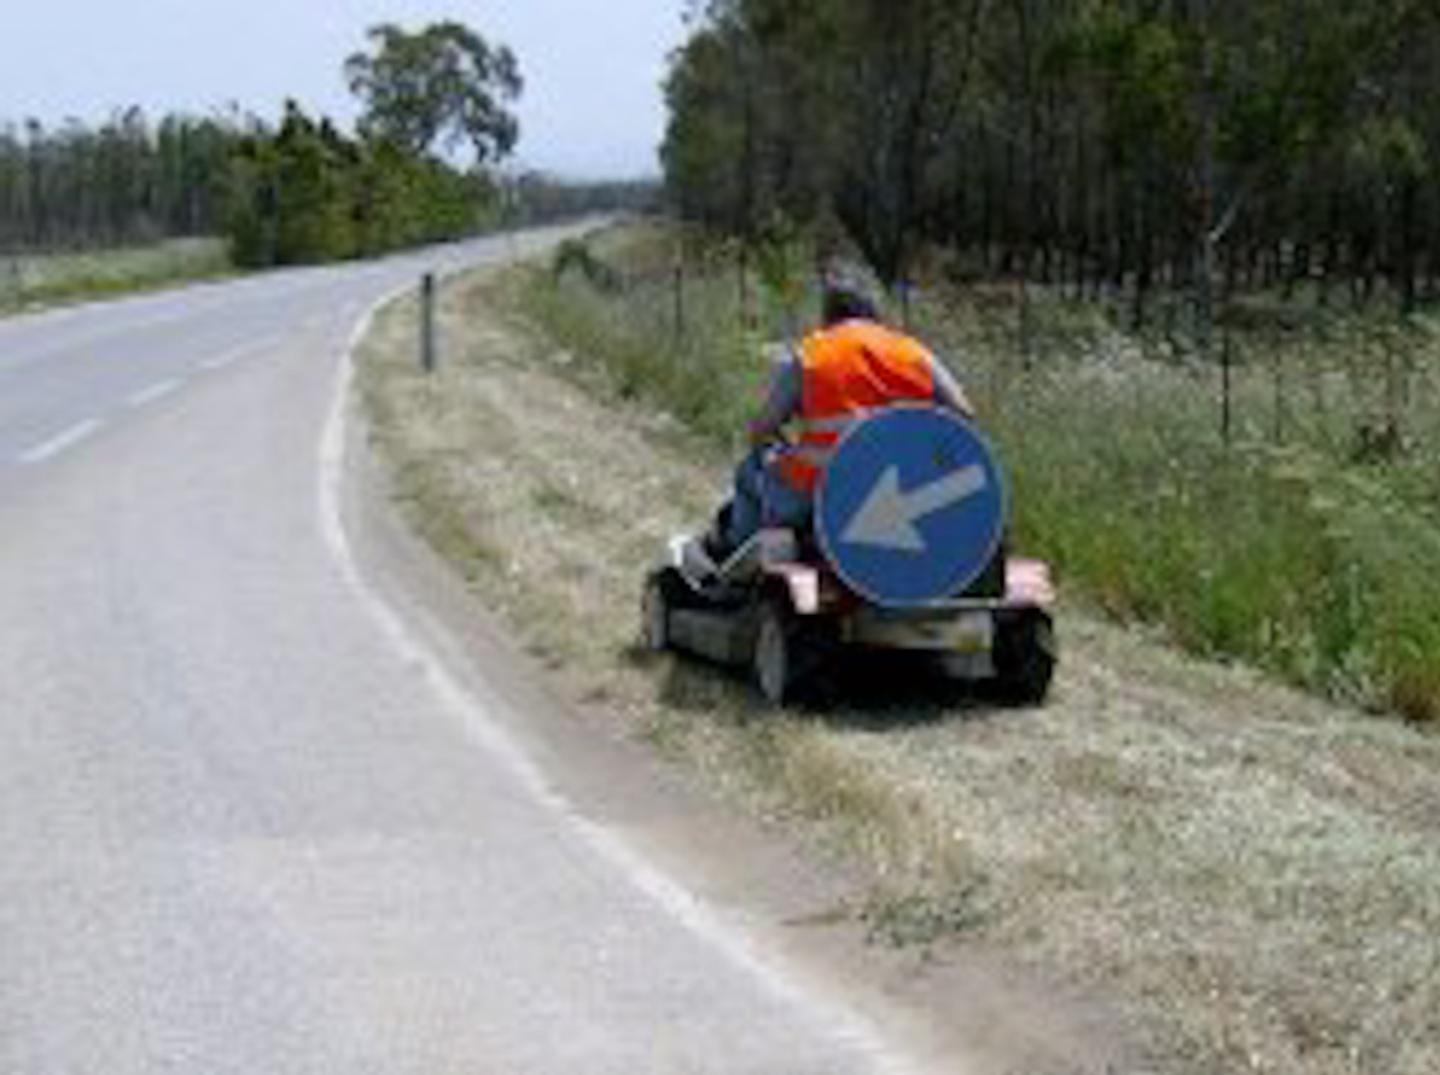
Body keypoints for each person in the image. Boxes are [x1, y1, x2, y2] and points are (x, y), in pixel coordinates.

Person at [706, 270, 975, 562]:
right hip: (909, 492)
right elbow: (964, 415)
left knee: (750, 472)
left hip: (818, 494)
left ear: (828, 314)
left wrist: (772, 442)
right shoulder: (914, 353)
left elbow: (762, 427)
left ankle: (735, 564)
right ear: (874, 312)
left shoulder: (812, 354)